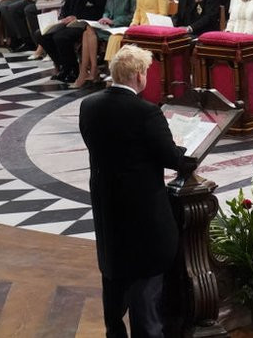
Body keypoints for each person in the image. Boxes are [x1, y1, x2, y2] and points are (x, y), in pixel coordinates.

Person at [79, 44, 197, 337]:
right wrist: (186, 151)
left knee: (115, 283)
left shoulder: (89, 105)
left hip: (108, 210)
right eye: (146, 71)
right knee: (146, 301)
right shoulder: (146, 113)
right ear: (137, 75)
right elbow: (171, 157)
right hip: (143, 217)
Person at [75, 0, 136, 88]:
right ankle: (88, 70)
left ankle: (92, 71)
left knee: (89, 32)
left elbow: (132, 14)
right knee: (88, 30)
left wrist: (114, 21)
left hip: (121, 26)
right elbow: (107, 8)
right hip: (108, 24)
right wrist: (105, 17)